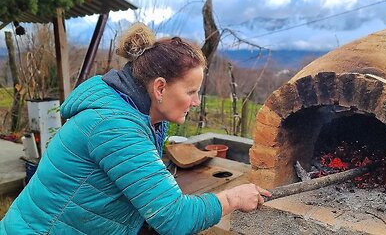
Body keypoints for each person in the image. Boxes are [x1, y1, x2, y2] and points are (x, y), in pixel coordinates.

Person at [0, 23, 271, 235]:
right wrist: (233, 198)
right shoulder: (114, 126)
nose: (197, 101)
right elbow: (173, 218)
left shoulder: (141, 112)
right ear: (160, 87)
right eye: (191, 91)